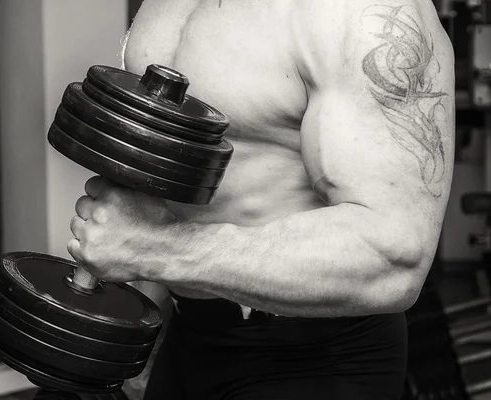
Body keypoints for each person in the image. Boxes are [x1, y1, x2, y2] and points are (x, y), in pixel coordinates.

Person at [68, 0, 455, 399]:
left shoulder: (363, 13)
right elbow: (180, 185)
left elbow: (393, 256)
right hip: (187, 337)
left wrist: (161, 249)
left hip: (314, 357)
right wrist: (144, 332)